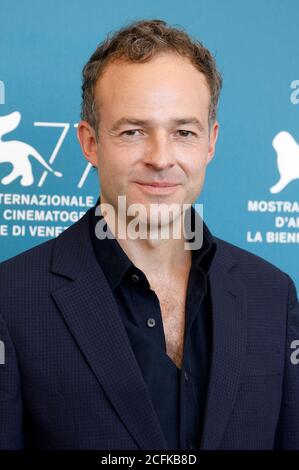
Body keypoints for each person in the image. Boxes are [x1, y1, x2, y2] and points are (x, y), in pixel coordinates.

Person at [0, 18, 298, 451]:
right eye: (133, 131)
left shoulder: (273, 295)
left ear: (210, 142)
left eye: (183, 132)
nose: (161, 158)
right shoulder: (11, 300)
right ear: (90, 143)